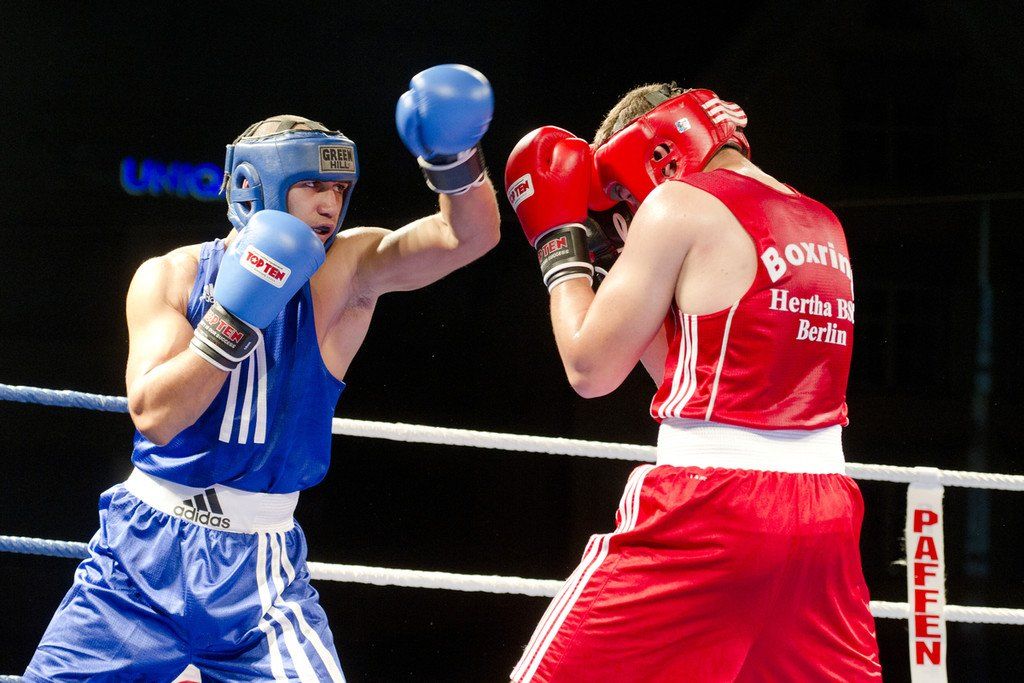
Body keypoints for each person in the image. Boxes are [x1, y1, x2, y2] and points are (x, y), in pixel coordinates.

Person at [25, 64, 500, 682]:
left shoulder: (345, 270)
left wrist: (454, 157)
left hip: (261, 576)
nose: (330, 204)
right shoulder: (169, 276)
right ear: (255, 185)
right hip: (140, 562)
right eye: (312, 185)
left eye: (340, 188)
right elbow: (156, 416)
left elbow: (466, 238)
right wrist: (236, 316)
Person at [503, 84, 881, 682]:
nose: (626, 215)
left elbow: (590, 369)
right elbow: (688, 373)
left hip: (712, 510)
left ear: (653, 155)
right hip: (825, 519)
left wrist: (560, 248)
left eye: (621, 195)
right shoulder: (821, 220)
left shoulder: (676, 204)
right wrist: (618, 263)